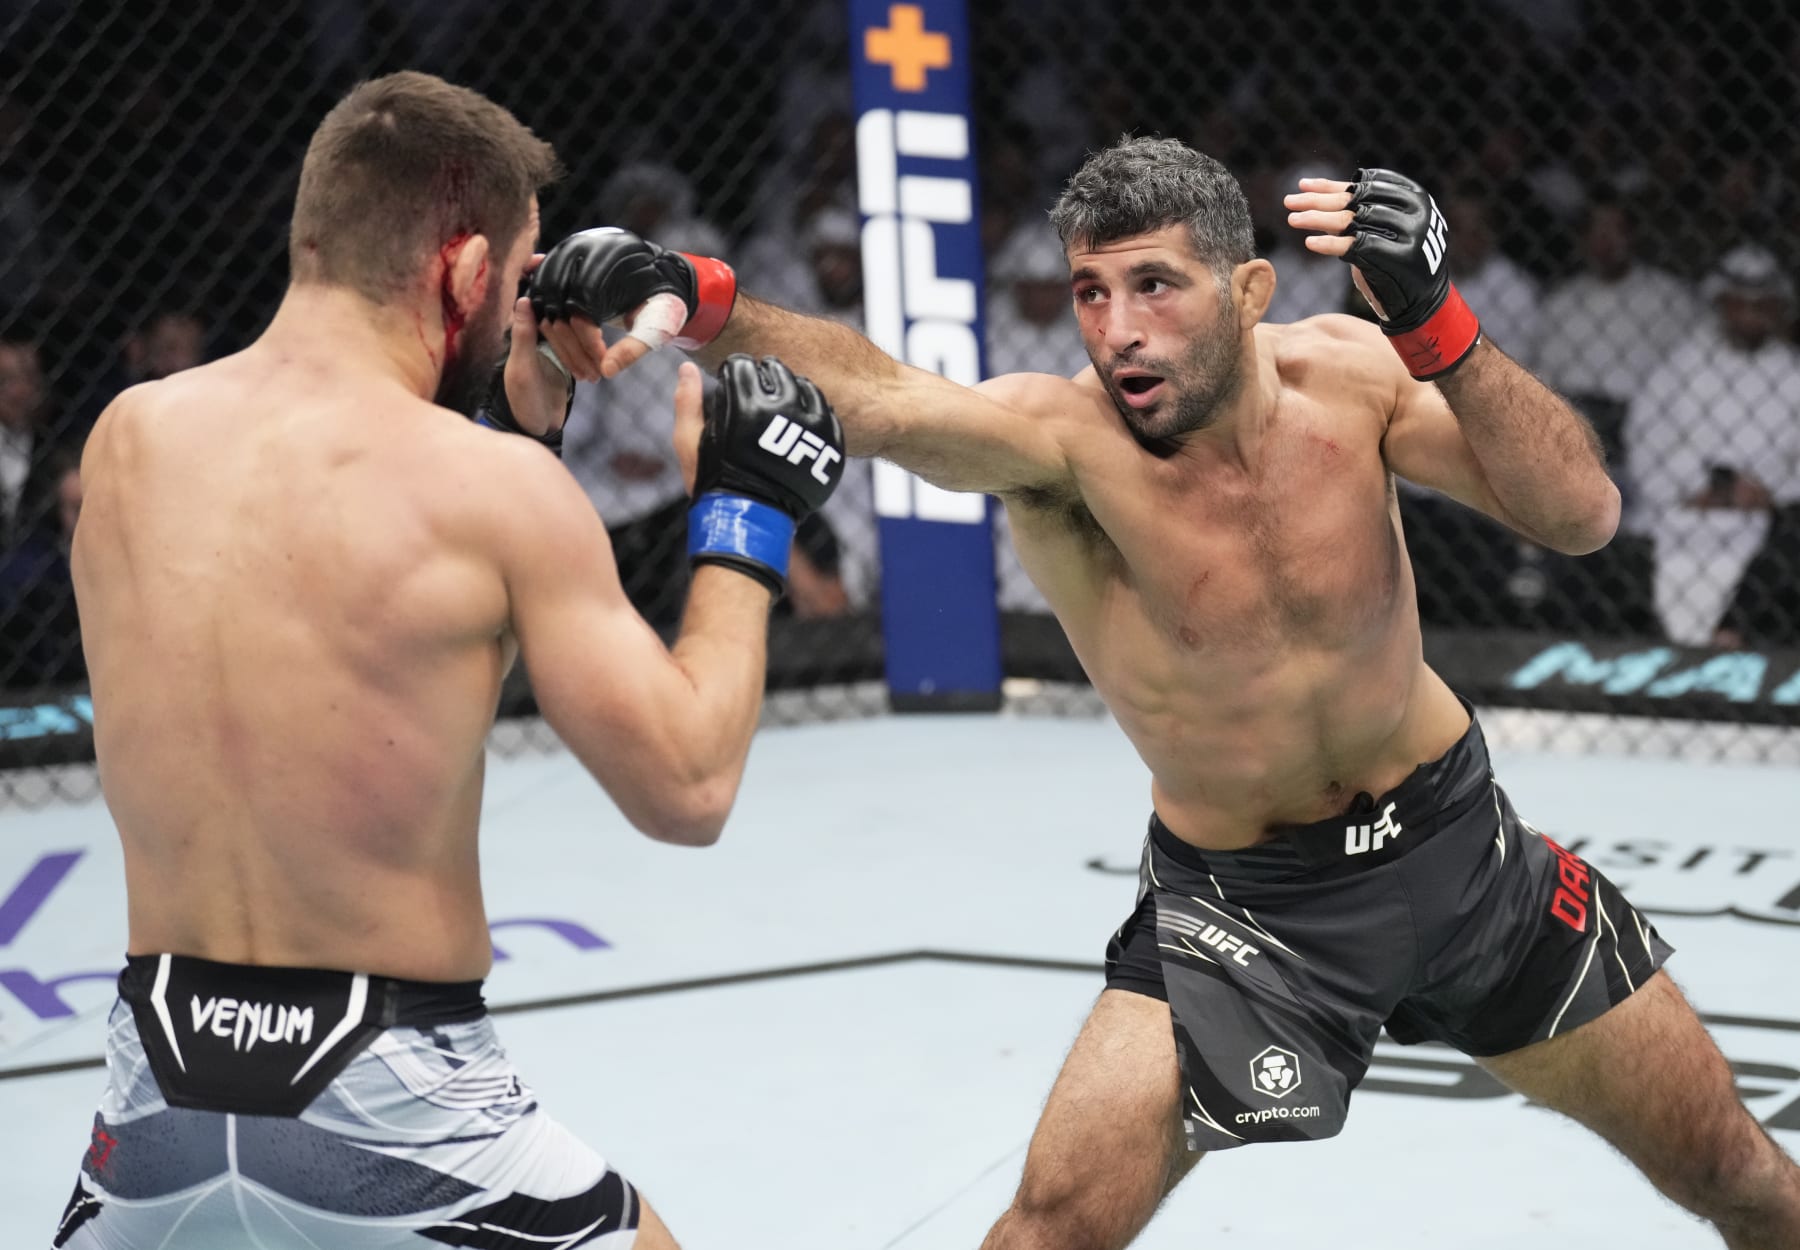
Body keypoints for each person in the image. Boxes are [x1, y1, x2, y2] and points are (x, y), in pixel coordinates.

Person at [529, 136, 1800, 1248]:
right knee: (1054, 1223)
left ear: (1248, 290)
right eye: (1090, 291)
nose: (1117, 328)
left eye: (1154, 286)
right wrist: (697, 296)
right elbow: (885, 395)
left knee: (1743, 1175)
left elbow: (1581, 513)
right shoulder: (1062, 448)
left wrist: (1440, 323)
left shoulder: (1352, 378)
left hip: (1469, 859)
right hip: (1247, 912)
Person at [56, 71, 843, 1250]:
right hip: (398, 1108)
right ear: (468, 272)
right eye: (517, 274)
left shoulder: (128, 440)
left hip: (153, 1106)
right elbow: (687, 786)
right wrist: (747, 510)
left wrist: (520, 416)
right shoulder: (494, 493)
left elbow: (327, 567)